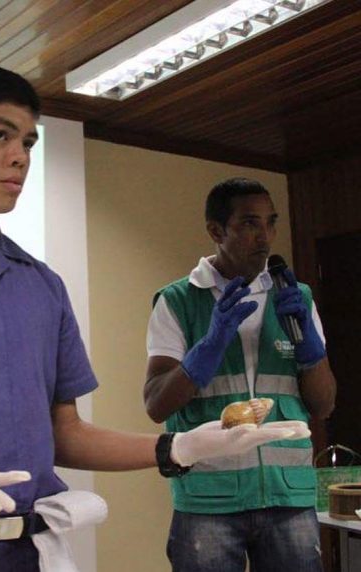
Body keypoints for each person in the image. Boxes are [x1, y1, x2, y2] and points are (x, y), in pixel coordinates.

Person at [0, 64, 310, 572]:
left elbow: (64, 433)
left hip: (27, 551)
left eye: (28, 143)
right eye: (0, 135)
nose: (18, 157)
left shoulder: (40, 285)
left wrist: (178, 446)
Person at [144, 177, 337, 572]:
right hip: (208, 499)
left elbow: (324, 404)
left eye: (270, 223)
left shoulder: (295, 297)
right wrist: (208, 348)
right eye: (249, 223)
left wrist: (311, 353)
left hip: (289, 498)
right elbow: (156, 403)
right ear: (216, 231)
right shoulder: (178, 300)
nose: (264, 237)